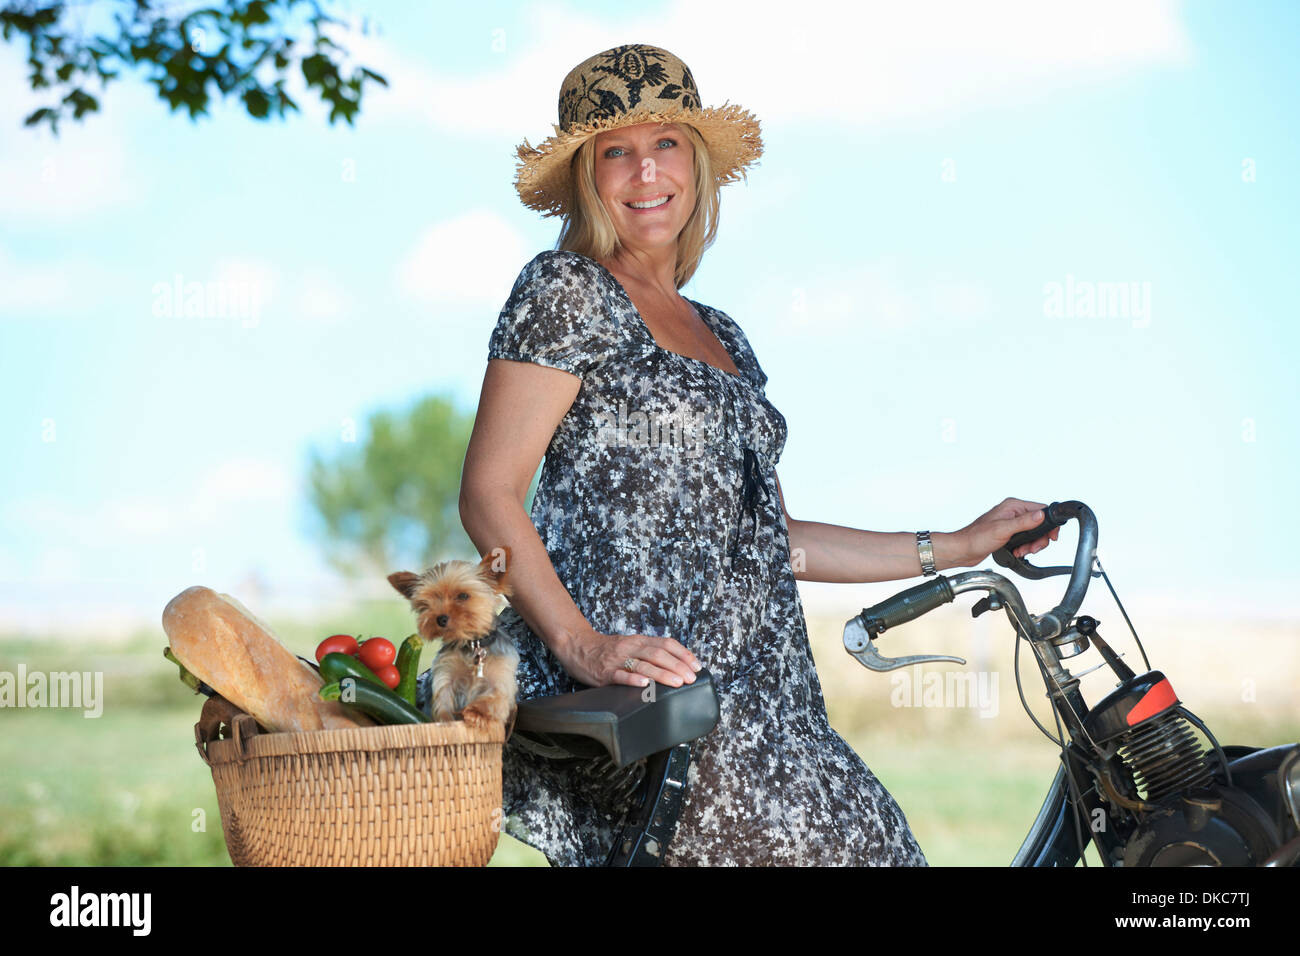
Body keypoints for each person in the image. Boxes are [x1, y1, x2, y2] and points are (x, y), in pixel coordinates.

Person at [458, 43, 1060, 866]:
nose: (646, 172)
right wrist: (583, 645)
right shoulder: (566, 290)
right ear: (587, 178)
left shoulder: (724, 335)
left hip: (766, 697)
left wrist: (953, 546)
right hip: (650, 700)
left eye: (666, 143)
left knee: (881, 843)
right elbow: (488, 494)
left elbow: (780, 540)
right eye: (617, 152)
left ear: (696, 165)